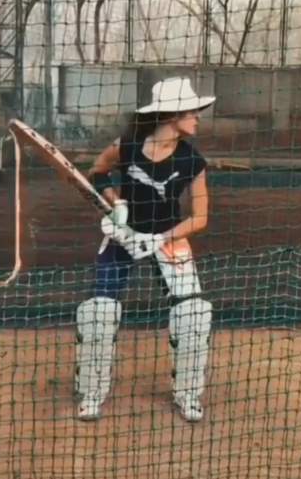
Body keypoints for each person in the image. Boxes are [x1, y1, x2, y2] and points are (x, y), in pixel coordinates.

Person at [75, 76, 215, 422]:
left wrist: (161, 238)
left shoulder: (193, 160)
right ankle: (92, 392)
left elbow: (200, 218)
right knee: (99, 313)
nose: (198, 116)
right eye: (192, 111)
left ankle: (188, 395)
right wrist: (115, 205)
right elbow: (97, 173)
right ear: (171, 115)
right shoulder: (127, 146)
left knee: (193, 315)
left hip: (168, 238)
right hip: (124, 236)